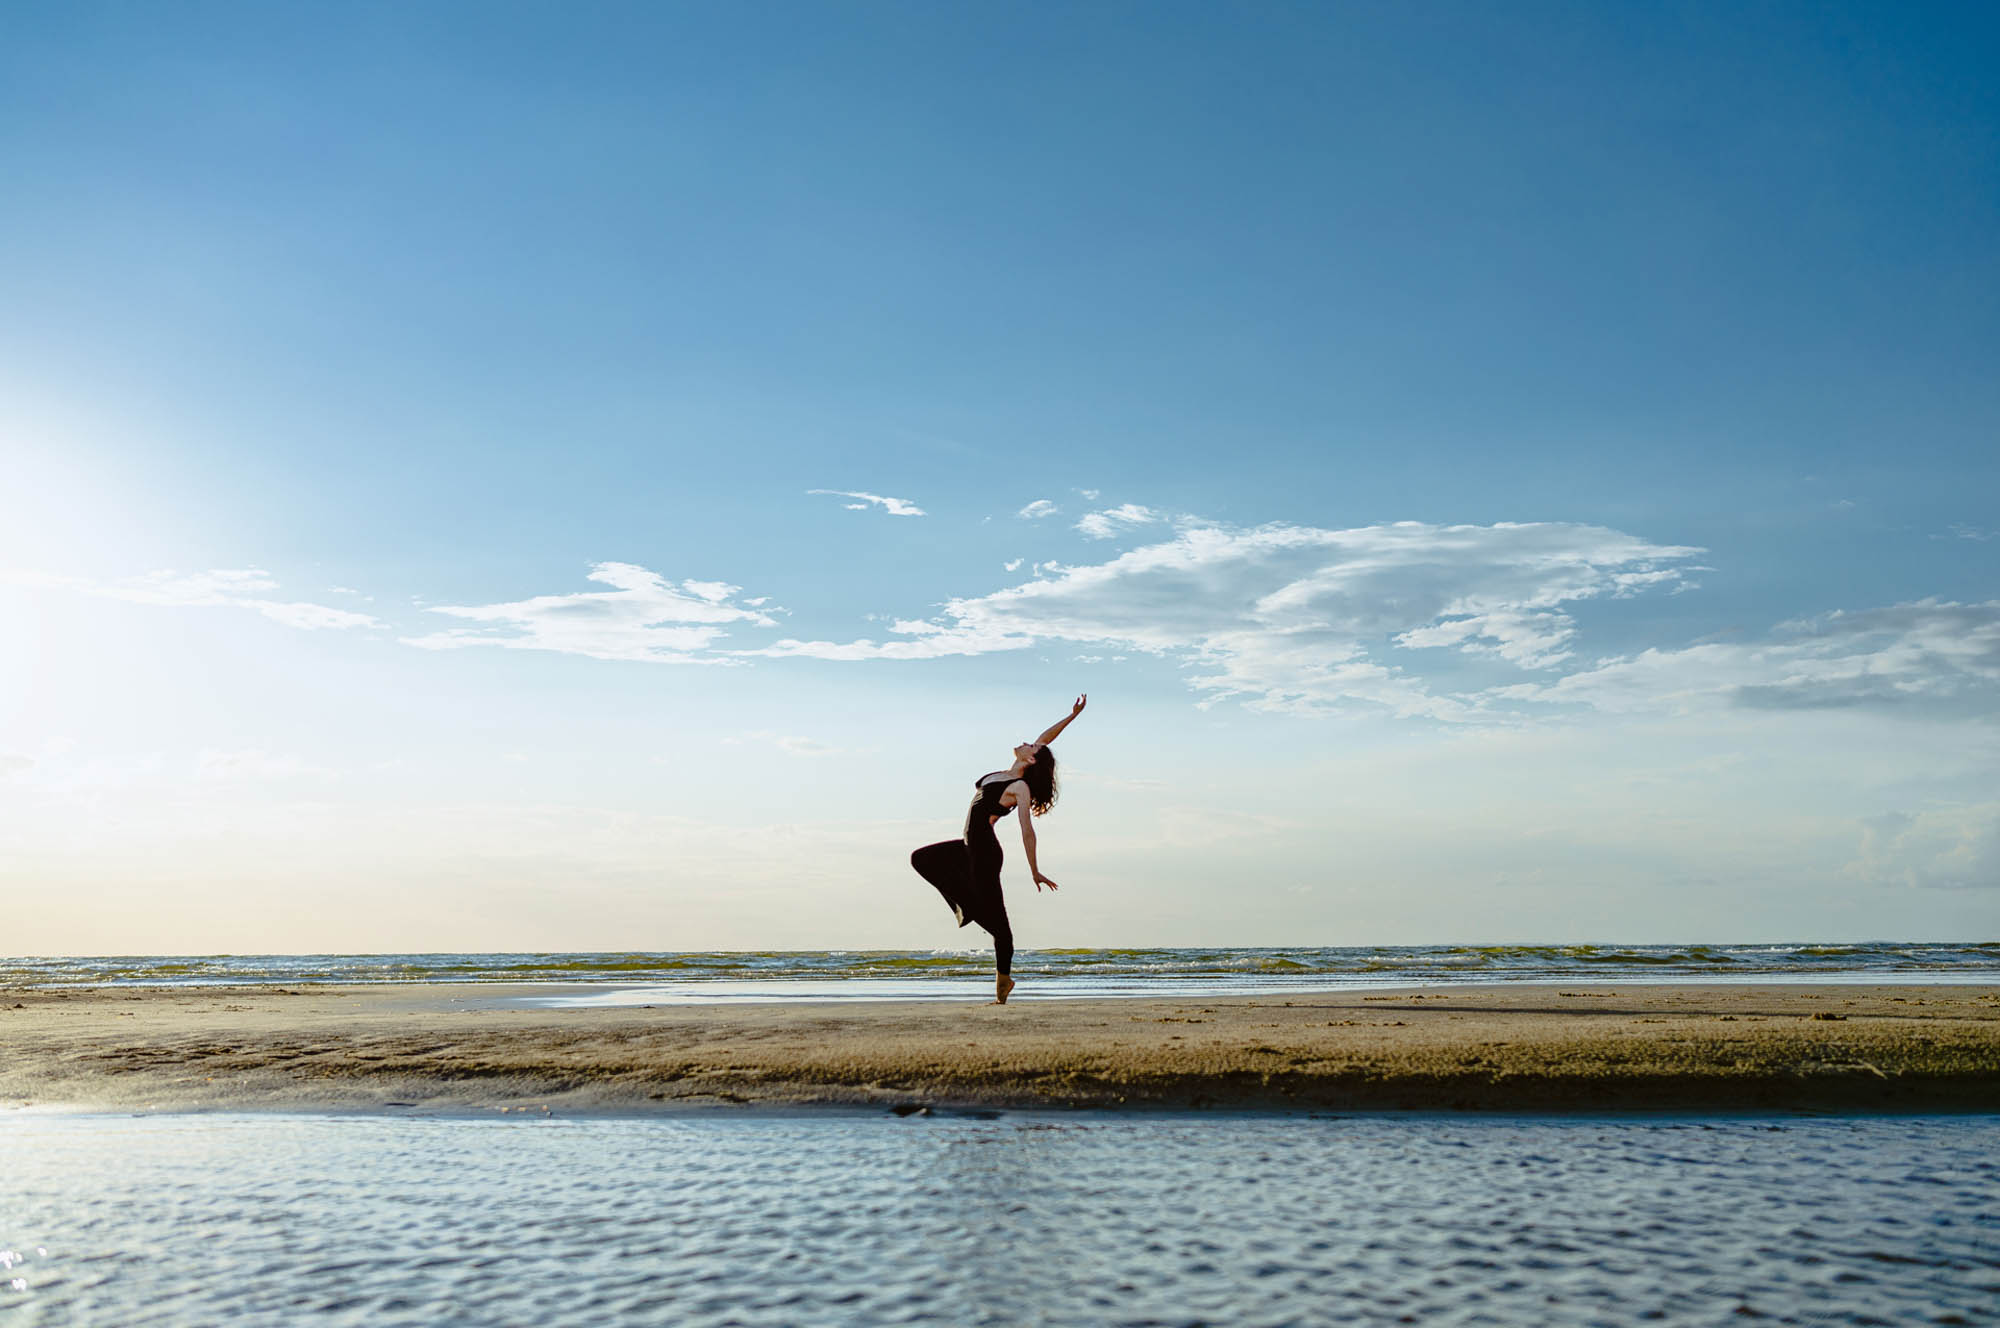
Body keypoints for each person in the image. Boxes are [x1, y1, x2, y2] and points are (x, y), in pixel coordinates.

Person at [910, 694, 1086, 1004]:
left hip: (986, 853)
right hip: (968, 846)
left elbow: (1027, 831)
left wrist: (1034, 870)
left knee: (1000, 928)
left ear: (1031, 760)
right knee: (922, 858)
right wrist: (1071, 716)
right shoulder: (1005, 773)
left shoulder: (1019, 787)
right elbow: (1046, 738)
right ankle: (971, 910)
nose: (1028, 742)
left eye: (1031, 747)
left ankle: (1003, 981)